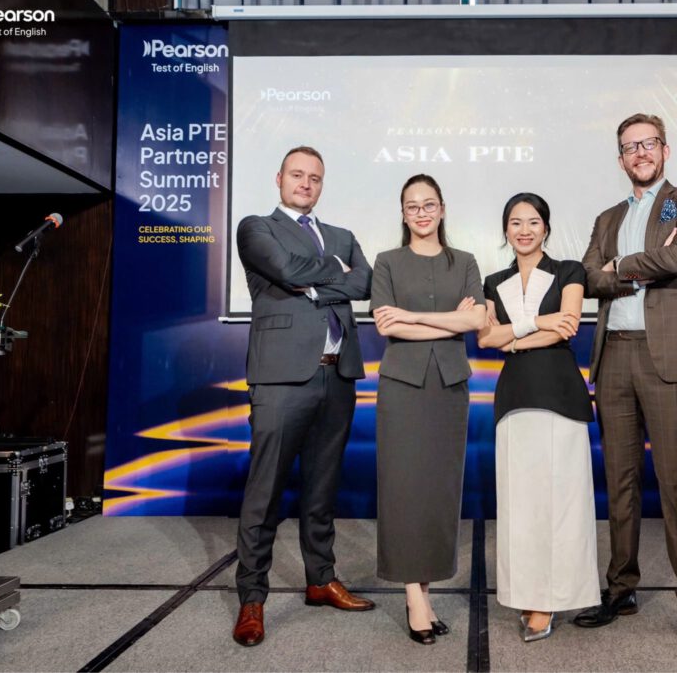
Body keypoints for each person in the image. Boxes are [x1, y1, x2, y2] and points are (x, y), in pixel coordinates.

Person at [576, 113, 677, 649]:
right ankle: (621, 589)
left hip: (671, 358)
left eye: (648, 143)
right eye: (629, 147)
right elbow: (587, 277)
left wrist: (620, 266)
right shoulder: (607, 217)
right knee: (619, 481)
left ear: (664, 150)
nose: (639, 152)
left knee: (676, 480)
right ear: (620, 159)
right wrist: (639, 267)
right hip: (614, 354)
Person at [232, 145, 375, 648]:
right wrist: (333, 275)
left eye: (314, 177)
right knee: (264, 492)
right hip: (280, 379)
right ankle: (252, 598)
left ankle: (321, 580)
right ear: (279, 178)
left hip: (338, 377)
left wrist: (315, 284)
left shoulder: (343, 236)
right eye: (297, 175)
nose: (306, 183)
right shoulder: (257, 228)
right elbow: (287, 271)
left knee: (322, 489)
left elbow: (365, 282)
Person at [478, 193, 600, 643]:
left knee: (563, 502)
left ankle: (554, 598)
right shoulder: (493, 281)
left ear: (546, 228)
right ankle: (529, 596)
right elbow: (486, 339)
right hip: (515, 396)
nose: (524, 230)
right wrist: (536, 325)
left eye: (533, 222)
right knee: (520, 505)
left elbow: (567, 325)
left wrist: (512, 338)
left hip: (559, 392)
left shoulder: (569, 271)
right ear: (506, 230)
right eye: (516, 222)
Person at [370, 174, 486, 645]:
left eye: (429, 204)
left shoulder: (466, 261)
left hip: (449, 388)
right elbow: (386, 326)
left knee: (439, 492)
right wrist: (449, 321)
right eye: (412, 206)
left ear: (442, 208)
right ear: (403, 213)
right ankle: (413, 596)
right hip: (402, 388)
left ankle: (425, 590)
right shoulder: (387, 262)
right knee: (403, 490)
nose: (421, 212)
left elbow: (476, 319)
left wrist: (413, 315)